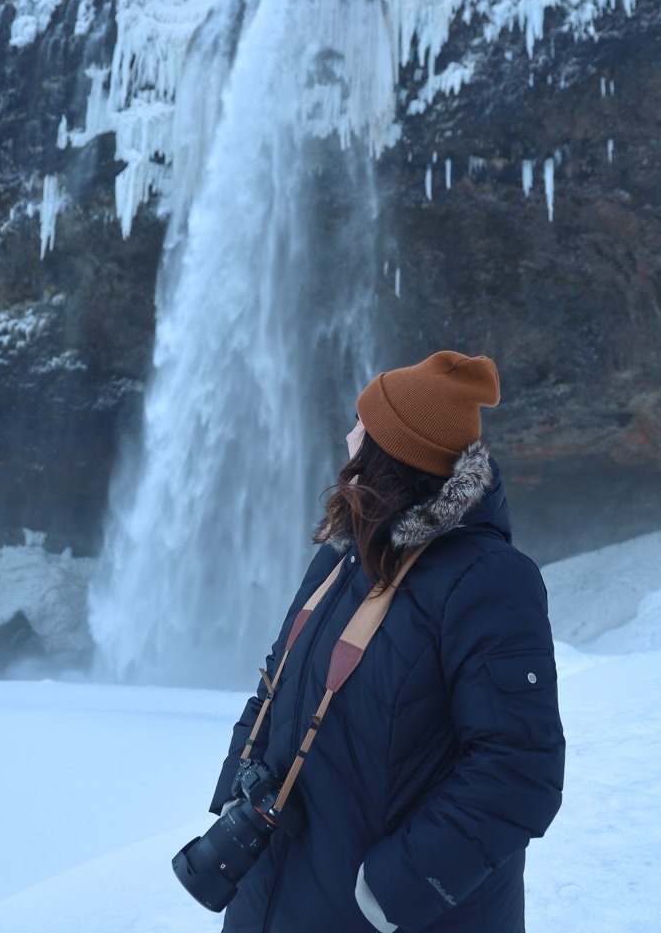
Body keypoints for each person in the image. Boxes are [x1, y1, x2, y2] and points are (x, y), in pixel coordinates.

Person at [209, 350, 565, 933]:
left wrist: (397, 888)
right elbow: (275, 680)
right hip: (276, 891)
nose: (349, 434)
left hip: (387, 913)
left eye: (364, 425)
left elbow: (520, 767)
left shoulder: (490, 579)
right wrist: (235, 794)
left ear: (390, 455)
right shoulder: (342, 553)